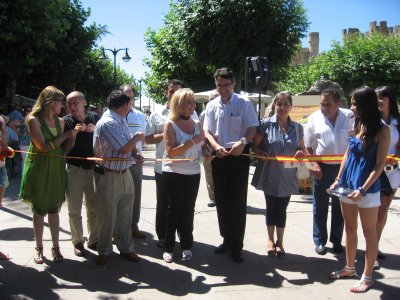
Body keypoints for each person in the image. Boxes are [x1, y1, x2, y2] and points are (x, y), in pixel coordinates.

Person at [328, 86, 390, 293]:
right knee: (350, 228)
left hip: (368, 190)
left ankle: (367, 276)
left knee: (369, 233)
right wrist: (338, 179)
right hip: (347, 186)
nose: (351, 107)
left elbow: (380, 164)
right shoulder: (356, 124)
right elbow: (348, 154)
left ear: (365, 105)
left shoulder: (382, 130)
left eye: (354, 103)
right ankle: (349, 268)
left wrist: (363, 189)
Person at [204, 67, 258, 263]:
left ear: (234, 84)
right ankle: (226, 239)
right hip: (219, 156)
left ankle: (237, 245)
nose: (223, 89)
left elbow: (252, 127)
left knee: (237, 202)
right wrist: (215, 146)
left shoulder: (244, 103)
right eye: (219, 85)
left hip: (239, 155)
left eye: (226, 85)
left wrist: (242, 142)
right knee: (222, 201)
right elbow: (207, 132)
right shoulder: (211, 106)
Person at [19, 86, 79, 264]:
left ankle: (56, 247)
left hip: (56, 168)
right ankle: (39, 248)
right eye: (60, 101)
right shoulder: (33, 120)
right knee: (39, 211)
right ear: (51, 102)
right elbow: (43, 148)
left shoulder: (60, 122)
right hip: (40, 169)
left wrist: (72, 136)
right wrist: (65, 135)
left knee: (54, 210)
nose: (63, 105)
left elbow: (65, 150)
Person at [93, 90, 144, 265]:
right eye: (129, 104)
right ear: (123, 105)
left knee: (125, 215)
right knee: (107, 216)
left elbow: (128, 145)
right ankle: (104, 250)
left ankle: (126, 248)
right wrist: (137, 138)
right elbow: (123, 148)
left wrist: (136, 153)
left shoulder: (120, 120)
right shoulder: (107, 122)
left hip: (124, 173)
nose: (131, 108)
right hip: (110, 175)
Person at [252, 91, 306, 257]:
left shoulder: (297, 128)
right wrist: (261, 153)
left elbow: (302, 149)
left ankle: (280, 242)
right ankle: (270, 240)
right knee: (271, 207)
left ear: (291, 107)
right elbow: (255, 147)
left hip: (287, 175)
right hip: (269, 172)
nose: (282, 107)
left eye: (285, 104)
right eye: (279, 104)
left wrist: (301, 153)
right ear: (274, 105)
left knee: (282, 208)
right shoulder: (266, 124)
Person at [145, 79, 198, 247]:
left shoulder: (193, 114)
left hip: (189, 168)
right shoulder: (157, 113)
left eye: (178, 91)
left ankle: (184, 237)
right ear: (166, 93)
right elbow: (147, 139)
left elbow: (198, 137)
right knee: (164, 204)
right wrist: (169, 133)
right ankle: (163, 237)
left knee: (184, 206)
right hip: (164, 165)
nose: (175, 94)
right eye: (171, 91)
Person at [304, 88, 354, 255]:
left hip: (344, 168)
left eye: (328, 105)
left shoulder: (349, 117)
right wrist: (314, 165)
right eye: (322, 104)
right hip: (322, 168)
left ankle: (337, 240)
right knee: (320, 206)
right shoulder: (314, 118)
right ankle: (319, 240)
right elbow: (308, 146)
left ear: (338, 104)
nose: (324, 108)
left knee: (341, 206)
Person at [162, 88, 206, 263]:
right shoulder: (170, 124)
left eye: (193, 102)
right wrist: (192, 141)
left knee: (188, 209)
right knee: (174, 209)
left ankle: (187, 245)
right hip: (173, 171)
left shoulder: (198, 124)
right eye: (189, 102)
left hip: (193, 171)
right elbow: (170, 152)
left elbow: (202, 147)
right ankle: (168, 247)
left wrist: (207, 151)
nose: (193, 105)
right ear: (179, 104)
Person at [63, 91, 100, 257]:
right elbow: (65, 150)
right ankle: (77, 241)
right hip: (74, 170)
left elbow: (103, 143)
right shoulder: (66, 121)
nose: (72, 107)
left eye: (75, 103)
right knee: (74, 209)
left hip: (93, 169)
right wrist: (73, 135)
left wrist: (95, 130)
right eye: (69, 103)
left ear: (84, 102)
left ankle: (94, 239)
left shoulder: (95, 119)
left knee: (94, 208)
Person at [375, 86, 400, 267]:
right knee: (377, 212)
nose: (379, 101)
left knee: (382, 213)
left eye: (382, 97)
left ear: (391, 100)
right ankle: (372, 251)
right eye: (376, 98)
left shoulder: (398, 122)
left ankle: (374, 247)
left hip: (394, 172)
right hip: (376, 171)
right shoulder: (372, 122)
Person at [121, 84, 147, 239]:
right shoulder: (113, 114)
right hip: (116, 162)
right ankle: (117, 228)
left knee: (135, 195)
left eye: (130, 96)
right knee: (118, 196)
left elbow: (142, 140)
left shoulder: (139, 115)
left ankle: (133, 225)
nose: (128, 98)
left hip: (135, 162)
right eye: (125, 95)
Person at [199, 90, 219, 207]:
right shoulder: (203, 114)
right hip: (208, 149)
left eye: (216, 97)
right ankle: (213, 198)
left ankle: (223, 196)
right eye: (211, 99)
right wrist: (204, 148)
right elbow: (201, 134)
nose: (213, 100)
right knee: (209, 174)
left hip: (223, 149)